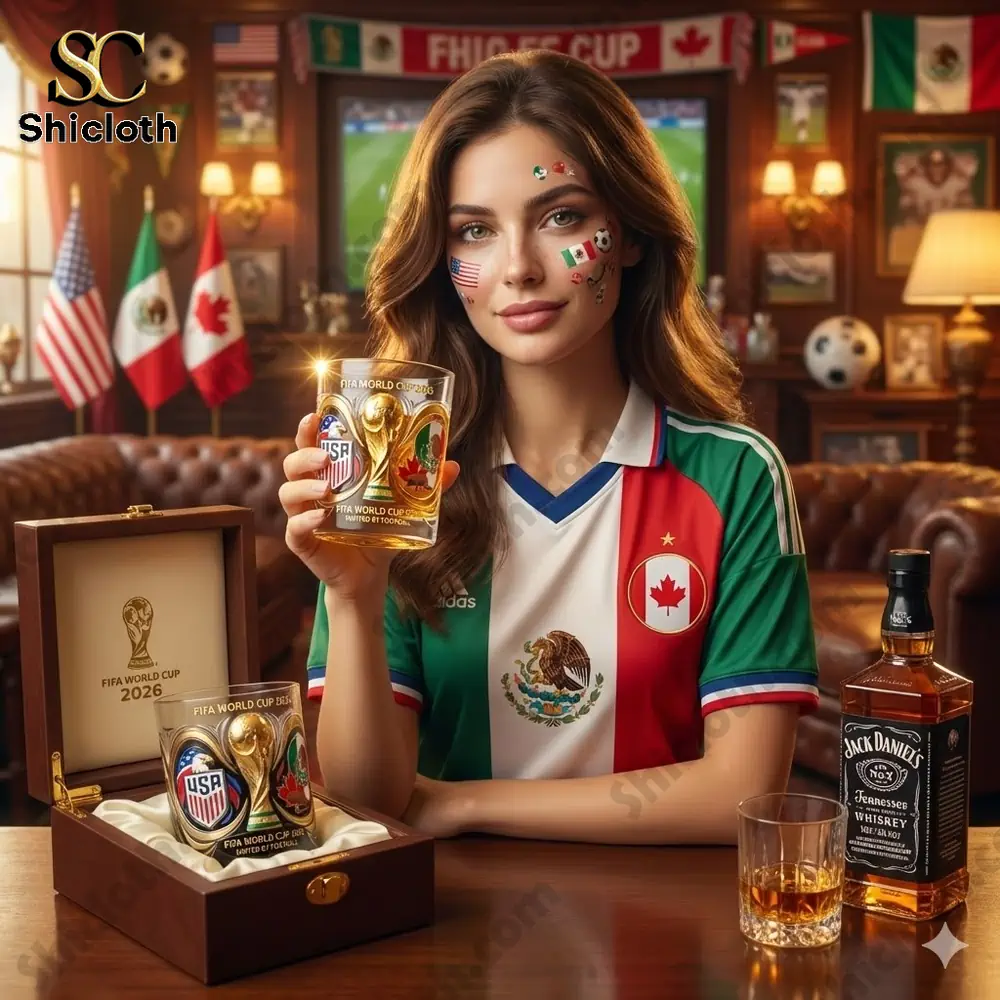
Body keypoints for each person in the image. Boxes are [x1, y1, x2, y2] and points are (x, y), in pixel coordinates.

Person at [279, 50, 819, 846]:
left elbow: (740, 792)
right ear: (444, 259)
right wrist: (353, 598)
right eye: (474, 231)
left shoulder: (735, 475)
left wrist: (464, 803)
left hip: (667, 932)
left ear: (629, 233)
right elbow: (369, 796)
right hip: (440, 934)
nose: (520, 269)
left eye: (562, 216)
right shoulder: (396, 474)